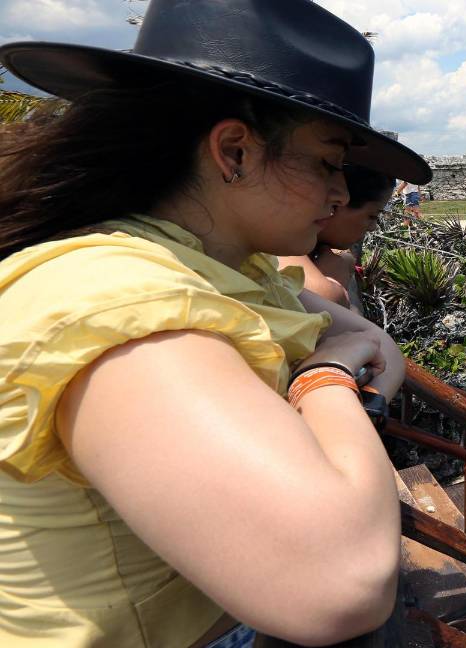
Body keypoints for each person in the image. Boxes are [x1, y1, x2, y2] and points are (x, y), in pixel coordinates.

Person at [0, 0, 425, 645]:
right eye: (326, 162)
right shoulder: (121, 304)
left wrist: (347, 358)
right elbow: (341, 580)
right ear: (234, 152)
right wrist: (329, 379)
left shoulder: (213, 265)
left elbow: (371, 342)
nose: (342, 194)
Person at [280, 165, 391, 312]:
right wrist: (334, 281)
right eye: (372, 216)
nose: (373, 227)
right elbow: (328, 298)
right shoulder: (279, 247)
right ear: (336, 206)